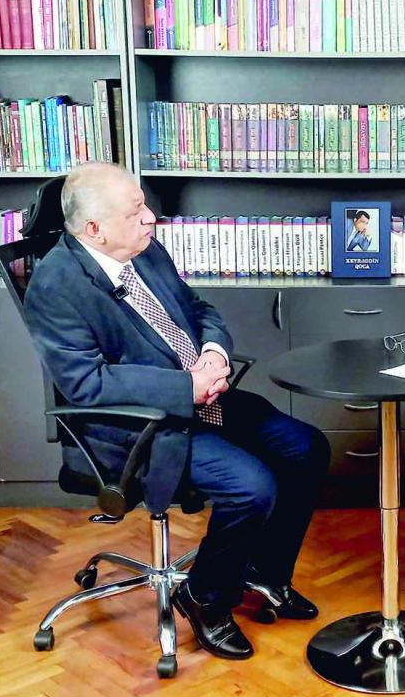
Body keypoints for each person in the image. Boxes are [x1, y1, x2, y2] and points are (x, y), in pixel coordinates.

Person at [24, 162, 330, 659]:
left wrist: (213, 354)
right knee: (252, 487)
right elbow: (85, 383)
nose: (151, 217)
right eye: (135, 211)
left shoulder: (141, 249)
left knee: (306, 447)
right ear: (94, 229)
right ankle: (206, 598)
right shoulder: (55, 286)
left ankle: (263, 574)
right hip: (137, 427)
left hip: (201, 397)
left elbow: (198, 308)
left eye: (144, 205)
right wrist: (187, 386)